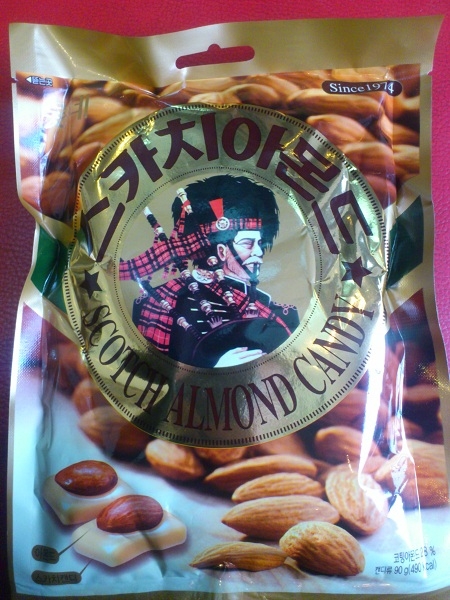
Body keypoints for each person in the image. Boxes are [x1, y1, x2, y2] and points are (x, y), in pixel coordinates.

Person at [119, 175, 299, 368]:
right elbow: (149, 371)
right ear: (221, 251)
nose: (258, 252)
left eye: (260, 243)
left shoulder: (279, 312)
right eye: (248, 243)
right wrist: (216, 367)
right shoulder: (157, 305)